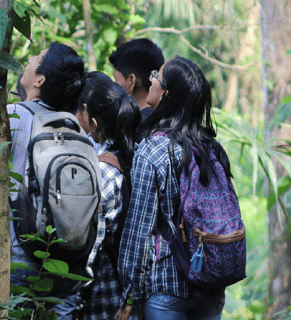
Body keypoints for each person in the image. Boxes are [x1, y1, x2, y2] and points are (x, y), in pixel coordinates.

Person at [117, 56, 228, 320]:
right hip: (211, 282)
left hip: (168, 284)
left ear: (165, 92)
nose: (151, 80)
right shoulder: (211, 147)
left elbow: (138, 230)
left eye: (156, 76)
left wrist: (129, 292)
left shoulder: (153, 150)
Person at [7, 42, 86, 320]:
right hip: (67, 267)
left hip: (19, 261)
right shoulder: (77, 131)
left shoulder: (13, 117)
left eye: (37, 57)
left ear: (40, 80)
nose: (29, 58)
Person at [75, 76, 141, 320]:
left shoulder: (103, 173)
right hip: (130, 291)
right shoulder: (135, 155)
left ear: (93, 123)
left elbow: (91, 244)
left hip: (106, 295)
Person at [108, 38, 164, 123]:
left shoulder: (132, 128)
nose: (114, 86)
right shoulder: (171, 120)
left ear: (132, 81)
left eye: (116, 80)